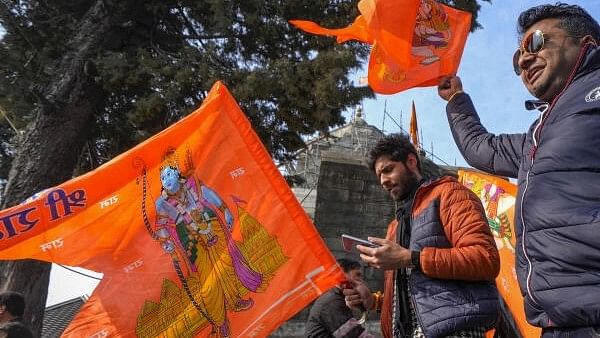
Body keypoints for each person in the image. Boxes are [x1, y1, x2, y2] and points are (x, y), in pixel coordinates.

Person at [437, 3, 600, 337]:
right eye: (517, 58)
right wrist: (456, 99)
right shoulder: (535, 137)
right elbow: (483, 149)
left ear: (587, 43)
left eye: (537, 43)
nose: (524, 61)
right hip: (558, 325)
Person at [346, 134, 500, 338]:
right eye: (379, 176)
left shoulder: (450, 194)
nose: (383, 181)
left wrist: (411, 258)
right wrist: (373, 302)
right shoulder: (396, 225)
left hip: (455, 330)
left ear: (411, 162)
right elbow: (415, 301)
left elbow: (485, 258)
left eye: (388, 170)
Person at [153, 150, 263, 337]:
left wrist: (225, 210)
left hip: (211, 225)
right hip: (190, 239)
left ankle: (234, 299)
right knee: (208, 282)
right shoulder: (161, 203)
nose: (166, 179)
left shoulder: (192, 183)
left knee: (226, 265)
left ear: (177, 172)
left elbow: (208, 194)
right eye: (162, 176)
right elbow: (161, 224)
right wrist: (166, 243)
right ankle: (220, 322)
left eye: (169, 173)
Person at [305, 258, 374, 338]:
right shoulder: (332, 302)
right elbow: (355, 335)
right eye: (357, 275)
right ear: (341, 275)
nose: (361, 281)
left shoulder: (338, 297)